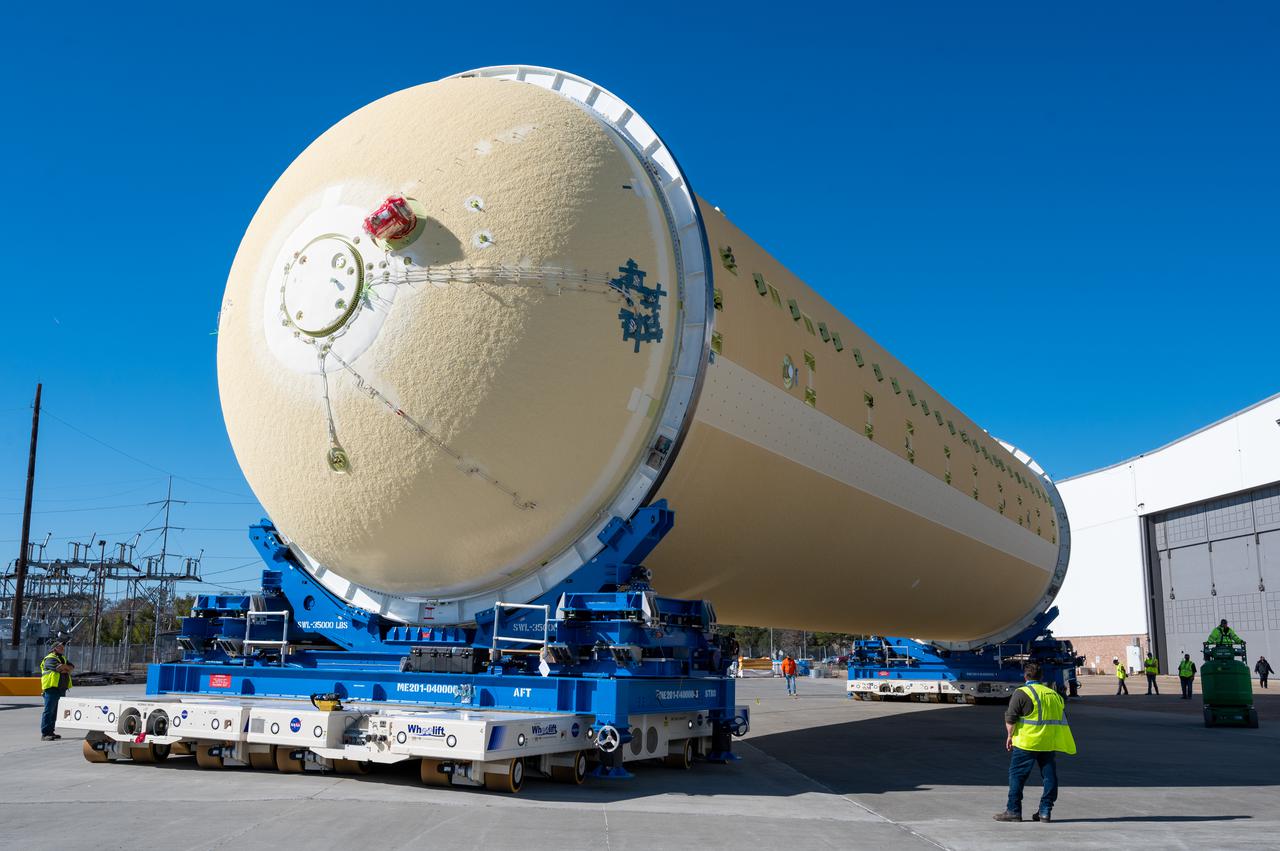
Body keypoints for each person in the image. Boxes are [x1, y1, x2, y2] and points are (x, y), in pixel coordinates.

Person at [993, 661, 1077, 823]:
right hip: (1048, 742)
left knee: (1017, 775)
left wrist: (1009, 736)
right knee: (1049, 776)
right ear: (1041, 677)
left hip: (1027, 742)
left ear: (1025, 676)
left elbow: (1011, 718)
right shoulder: (1053, 694)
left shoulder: (1022, 693)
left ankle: (1013, 810)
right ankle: (1045, 811)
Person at [40, 638, 75, 741]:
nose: (63, 648)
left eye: (63, 646)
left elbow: (72, 667)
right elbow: (59, 668)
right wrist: (65, 669)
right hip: (51, 688)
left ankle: (51, 731)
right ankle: (45, 733)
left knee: (55, 711)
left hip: (61, 688)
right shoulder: (50, 658)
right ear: (54, 648)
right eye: (60, 646)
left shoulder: (62, 658)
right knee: (48, 711)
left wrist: (66, 668)